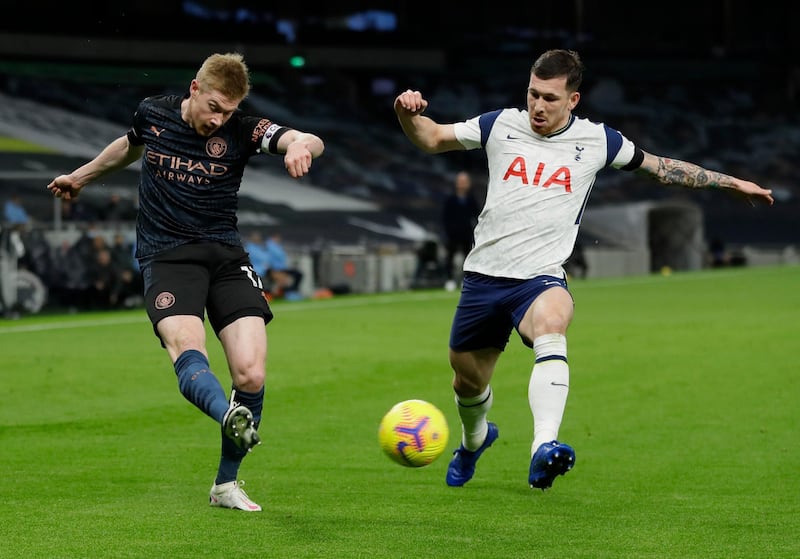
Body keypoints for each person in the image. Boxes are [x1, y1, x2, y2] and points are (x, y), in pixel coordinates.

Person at [393, 49, 773, 491]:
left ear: (573, 100)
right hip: (484, 277)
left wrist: (728, 182)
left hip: (540, 277)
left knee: (553, 322)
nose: (538, 105)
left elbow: (661, 168)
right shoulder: (499, 124)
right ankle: (474, 441)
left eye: (550, 98)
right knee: (467, 382)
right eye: (533, 94)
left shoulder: (600, 141)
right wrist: (405, 113)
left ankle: (543, 448)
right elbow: (432, 137)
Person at [46, 52, 325, 511]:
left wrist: (300, 146)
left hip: (225, 256)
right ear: (194, 89)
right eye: (214, 107)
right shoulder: (153, 112)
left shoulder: (240, 129)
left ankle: (225, 485)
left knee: (251, 373)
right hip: (167, 257)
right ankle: (227, 414)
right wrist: (80, 176)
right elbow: (130, 144)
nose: (220, 119)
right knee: (187, 346)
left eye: (229, 111)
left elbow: (304, 138)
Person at [441, 171, 481, 291]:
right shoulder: (451, 199)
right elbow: (445, 217)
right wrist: (448, 230)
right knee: (450, 257)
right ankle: (449, 279)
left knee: (467, 257)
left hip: (467, 234)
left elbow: (477, 216)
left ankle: (466, 280)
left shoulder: (471, 200)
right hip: (452, 234)